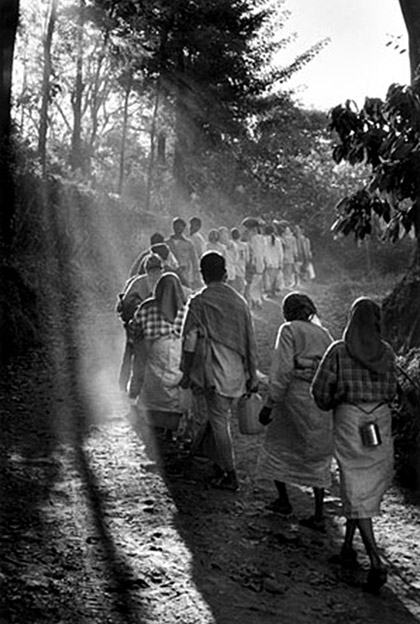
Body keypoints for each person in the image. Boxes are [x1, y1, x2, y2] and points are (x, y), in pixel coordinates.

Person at [311, 297, 397, 593]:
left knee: (353, 481)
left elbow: (320, 393)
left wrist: (334, 401)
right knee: (365, 482)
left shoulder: (338, 351)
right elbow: (393, 391)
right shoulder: (386, 353)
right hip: (380, 420)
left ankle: (375, 560)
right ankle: (348, 547)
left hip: (349, 419)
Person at [180, 252, 258, 491]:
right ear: (225, 273)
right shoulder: (239, 301)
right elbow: (249, 340)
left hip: (214, 373)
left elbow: (190, 340)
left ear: (203, 275)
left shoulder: (199, 302)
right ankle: (215, 462)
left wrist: (185, 370)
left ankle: (229, 473)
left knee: (219, 421)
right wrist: (252, 374)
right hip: (238, 373)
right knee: (219, 418)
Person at [258, 292, 333, 531]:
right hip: (320, 399)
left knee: (278, 447)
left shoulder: (288, 330)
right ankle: (319, 513)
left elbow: (282, 371)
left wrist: (270, 403)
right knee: (316, 455)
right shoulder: (324, 334)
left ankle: (284, 500)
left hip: (294, 397)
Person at [131, 272, 190, 438]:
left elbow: (135, 330)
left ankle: (153, 425)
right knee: (172, 386)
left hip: (153, 349)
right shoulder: (185, 309)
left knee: (152, 386)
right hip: (175, 350)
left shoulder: (146, 306)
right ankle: (171, 428)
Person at [117, 253, 163, 395]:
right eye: (153, 270)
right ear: (148, 269)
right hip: (138, 324)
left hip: (145, 324)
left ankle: (132, 387)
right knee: (136, 355)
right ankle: (128, 387)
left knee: (136, 355)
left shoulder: (140, 282)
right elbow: (125, 304)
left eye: (157, 270)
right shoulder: (140, 282)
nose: (155, 273)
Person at [166, 217, 200, 289]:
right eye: (176, 226)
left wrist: (196, 277)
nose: (178, 228)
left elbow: (194, 261)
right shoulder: (167, 243)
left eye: (180, 226)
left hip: (185, 274)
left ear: (183, 227)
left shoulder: (188, 243)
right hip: (170, 273)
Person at [263, 224, 284, 297]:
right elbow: (280, 252)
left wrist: (264, 260)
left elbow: (264, 251)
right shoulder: (278, 240)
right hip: (276, 262)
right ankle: (273, 291)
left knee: (268, 278)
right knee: (274, 277)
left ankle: (269, 292)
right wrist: (281, 262)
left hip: (268, 261)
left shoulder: (264, 240)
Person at [231, 227, 249, 296]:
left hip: (232, 269)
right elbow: (247, 259)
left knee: (233, 288)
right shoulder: (244, 245)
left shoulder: (230, 245)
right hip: (241, 268)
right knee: (241, 289)